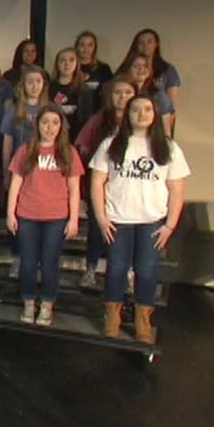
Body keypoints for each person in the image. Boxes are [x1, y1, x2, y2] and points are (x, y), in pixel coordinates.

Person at [90, 95, 189, 343]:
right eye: (135, 109)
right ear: (127, 114)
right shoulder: (111, 144)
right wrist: (101, 218)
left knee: (146, 271)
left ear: (155, 114)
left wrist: (170, 224)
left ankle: (143, 321)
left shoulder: (168, 147)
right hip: (117, 219)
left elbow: (177, 190)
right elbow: (96, 182)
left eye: (147, 109)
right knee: (116, 269)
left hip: (152, 222)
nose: (141, 114)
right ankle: (113, 316)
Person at [7, 105, 83, 327]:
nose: (50, 128)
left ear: (61, 126)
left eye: (55, 123)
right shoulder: (26, 150)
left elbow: (74, 188)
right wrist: (11, 213)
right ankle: (29, 303)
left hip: (56, 217)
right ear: (37, 125)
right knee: (28, 262)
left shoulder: (68, 152)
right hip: (28, 215)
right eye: (45, 122)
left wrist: (74, 218)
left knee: (50, 263)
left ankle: (47, 305)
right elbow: (16, 183)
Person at [75, 75, 136, 287]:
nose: (122, 97)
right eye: (118, 93)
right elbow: (82, 147)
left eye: (128, 93)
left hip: (129, 185)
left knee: (126, 231)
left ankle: (127, 271)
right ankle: (90, 269)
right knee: (96, 228)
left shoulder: (140, 121)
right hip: (100, 183)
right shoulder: (98, 120)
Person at [120, 29, 180, 134]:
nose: (145, 45)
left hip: (156, 128)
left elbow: (170, 108)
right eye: (141, 43)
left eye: (149, 41)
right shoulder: (124, 74)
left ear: (156, 44)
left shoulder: (167, 71)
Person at [117, 53, 175, 136]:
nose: (141, 69)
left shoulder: (159, 97)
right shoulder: (121, 93)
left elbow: (166, 133)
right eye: (136, 66)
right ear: (128, 69)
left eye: (145, 66)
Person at [49, 47, 92, 140]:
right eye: (62, 60)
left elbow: (86, 121)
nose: (67, 64)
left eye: (71, 60)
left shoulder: (84, 89)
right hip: (51, 136)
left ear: (77, 64)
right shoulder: (48, 87)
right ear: (57, 64)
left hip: (74, 138)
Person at [74, 30, 113, 113]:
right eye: (82, 45)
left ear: (95, 47)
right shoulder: (71, 68)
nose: (86, 49)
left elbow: (108, 93)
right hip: (75, 114)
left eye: (90, 45)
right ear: (76, 47)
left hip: (97, 112)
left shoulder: (104, 68)